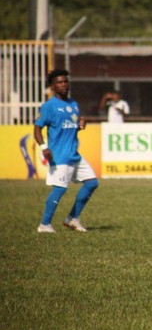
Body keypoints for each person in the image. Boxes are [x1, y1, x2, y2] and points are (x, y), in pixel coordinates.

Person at [34, 69, 99, 233]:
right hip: (59, 155)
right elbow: (37, 130)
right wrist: (44, 147)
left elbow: (69, 128)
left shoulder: (73, 104)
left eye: (65, 81)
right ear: (52, 87)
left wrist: (79, 127)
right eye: (59, 82)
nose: (64, 84)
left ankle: (72, 219)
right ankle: (44, 225)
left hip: (74, 154)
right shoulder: (49, 106)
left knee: (92, 183)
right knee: (60, 189)